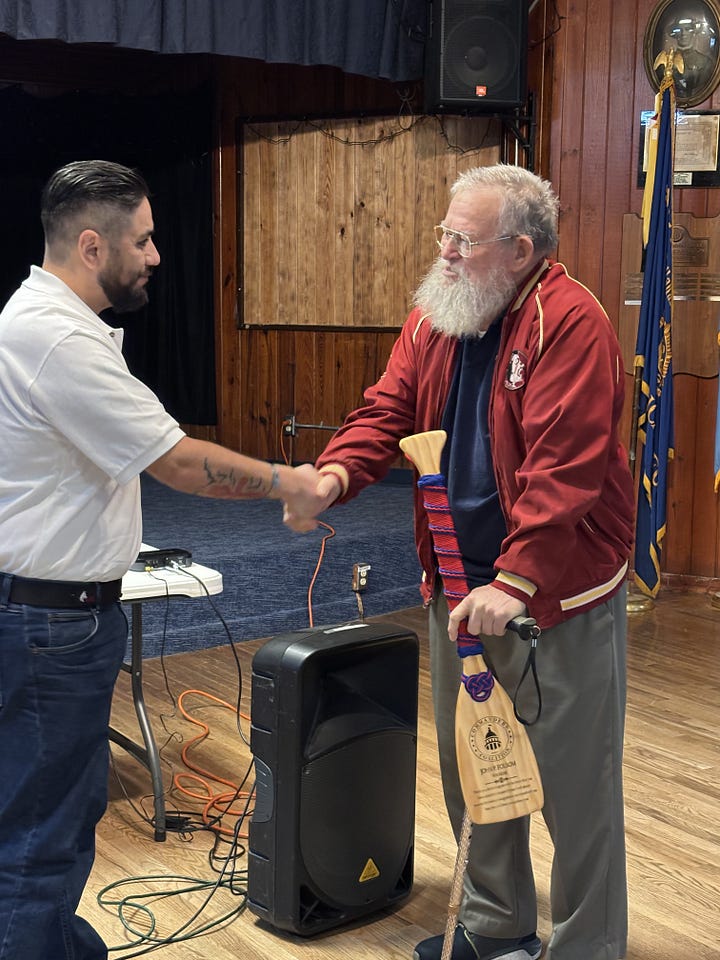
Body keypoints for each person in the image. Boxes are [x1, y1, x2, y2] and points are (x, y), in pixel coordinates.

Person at [283, 165, 635, 960]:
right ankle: (495, 925)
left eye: (461, 240)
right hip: (455, 580)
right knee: (475, 769)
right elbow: (388, 408)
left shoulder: (570, 323)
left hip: (553, 596)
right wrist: (336, 473)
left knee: (575, 793)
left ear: (519, 250)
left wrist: (516, 581)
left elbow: (565, 467)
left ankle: (588, 947)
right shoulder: (439, 316)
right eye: (443, 233)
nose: (443, 252)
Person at [0, 159, 320, 960]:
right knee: (43, 830)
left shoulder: (37, 319)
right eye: (142, 240)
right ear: (90, 244)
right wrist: (290, 482)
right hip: (49, 624)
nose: (155, 255)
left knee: (55, 813)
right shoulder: (57, 337)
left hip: (47, 615)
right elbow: (177, 463)